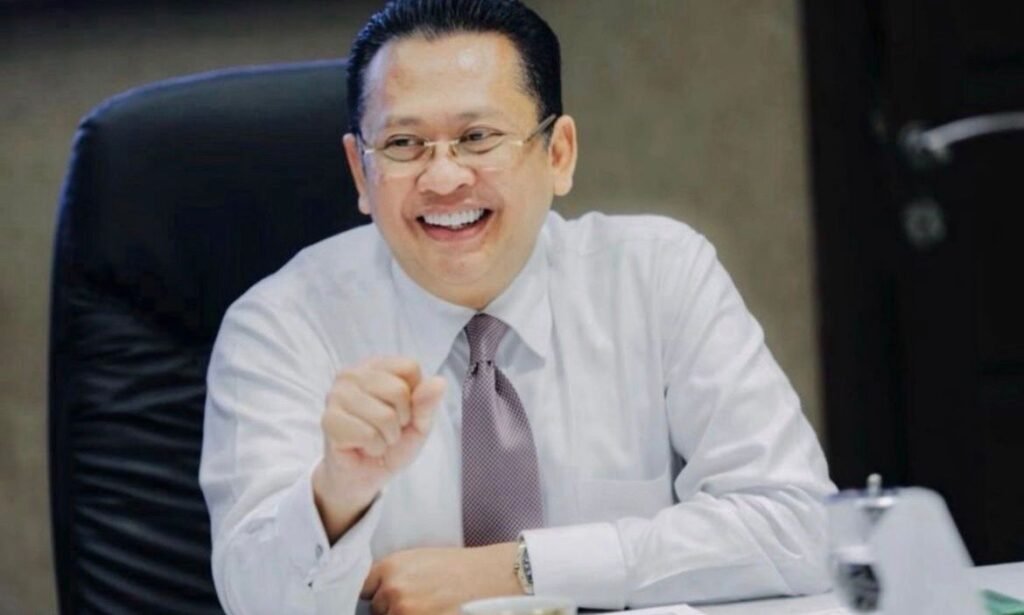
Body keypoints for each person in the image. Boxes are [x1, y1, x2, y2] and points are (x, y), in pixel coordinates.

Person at [199, 1, 836, 613]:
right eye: (404, 144)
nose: (443, 178)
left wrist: (523, 570)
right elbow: (254, 602)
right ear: (360, 172)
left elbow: (797, 527)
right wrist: (337, 493)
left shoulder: (658, 277)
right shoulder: (281, 326)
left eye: (478, 137)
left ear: (558, 154)